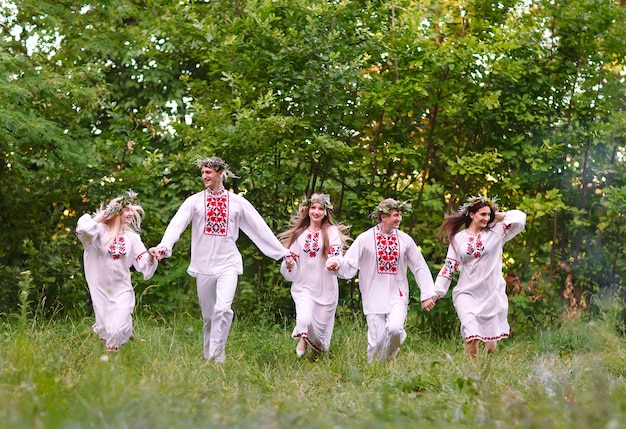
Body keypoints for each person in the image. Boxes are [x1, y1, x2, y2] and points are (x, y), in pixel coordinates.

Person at [149, 156, 291, 363]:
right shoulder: (194, 201)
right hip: (204, 265)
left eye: (208, 172)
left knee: (223, 309)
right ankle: (209, 356)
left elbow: (259, 229)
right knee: (208, 317)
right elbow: (176, 225)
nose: (204, 176)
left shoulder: (237, 203)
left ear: (219, 172)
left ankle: (217, 358)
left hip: (228, 264)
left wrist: (281, 253)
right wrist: (165, 246)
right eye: (203, 173)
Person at [337, 198, 437, 363]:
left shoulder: (405, 240)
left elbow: (419, 266)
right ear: (383, 216)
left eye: (400, 215)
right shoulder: (365, 238)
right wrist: (337, 266)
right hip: (373, 294)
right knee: (376, 340)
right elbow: (349, 262)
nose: (399, 218)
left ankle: (383, 362)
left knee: (395, 330)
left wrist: (427, 294)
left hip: (397, 294)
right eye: (395, 215)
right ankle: (374, 370)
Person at [434, 194, 526, 358]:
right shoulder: (458, 239)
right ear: (471, 214)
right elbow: (449, 267)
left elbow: (520, 218)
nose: (486, 218)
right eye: (482, 214)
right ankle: (473, 374)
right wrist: (436, 293)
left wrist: (495, 216)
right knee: (472, 335)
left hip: (491, 294)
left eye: (488, 215)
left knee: (490, 346)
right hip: (466, 293)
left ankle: (485, 370)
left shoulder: (498, 232)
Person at [76, 189, 157, 352]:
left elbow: (142, 261)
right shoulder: (98, 232)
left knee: (116, 330)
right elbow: (83, 230)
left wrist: (151, 256)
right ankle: (114, 363)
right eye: (126, 209)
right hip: (102, 290)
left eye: (131, 209)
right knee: (109, 328)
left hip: (122, 289)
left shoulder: (132, 238)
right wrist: (104, 215)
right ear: (117, 212)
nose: (131, 212)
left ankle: (110, 363)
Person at [278, 193, 350, 358]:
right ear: (308, 209)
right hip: (304, 286)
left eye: (320, 208)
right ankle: (303, 337)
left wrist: (334, 262)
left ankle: (315, 356)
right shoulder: (300, 234)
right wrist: (289, 264)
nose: (316, 212)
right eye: (313, 208)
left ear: (326, 212)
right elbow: (292, 258)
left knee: (320, 332)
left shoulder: (330, 232)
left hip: (326, 288)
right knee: (304, 318)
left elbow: (336, 253)